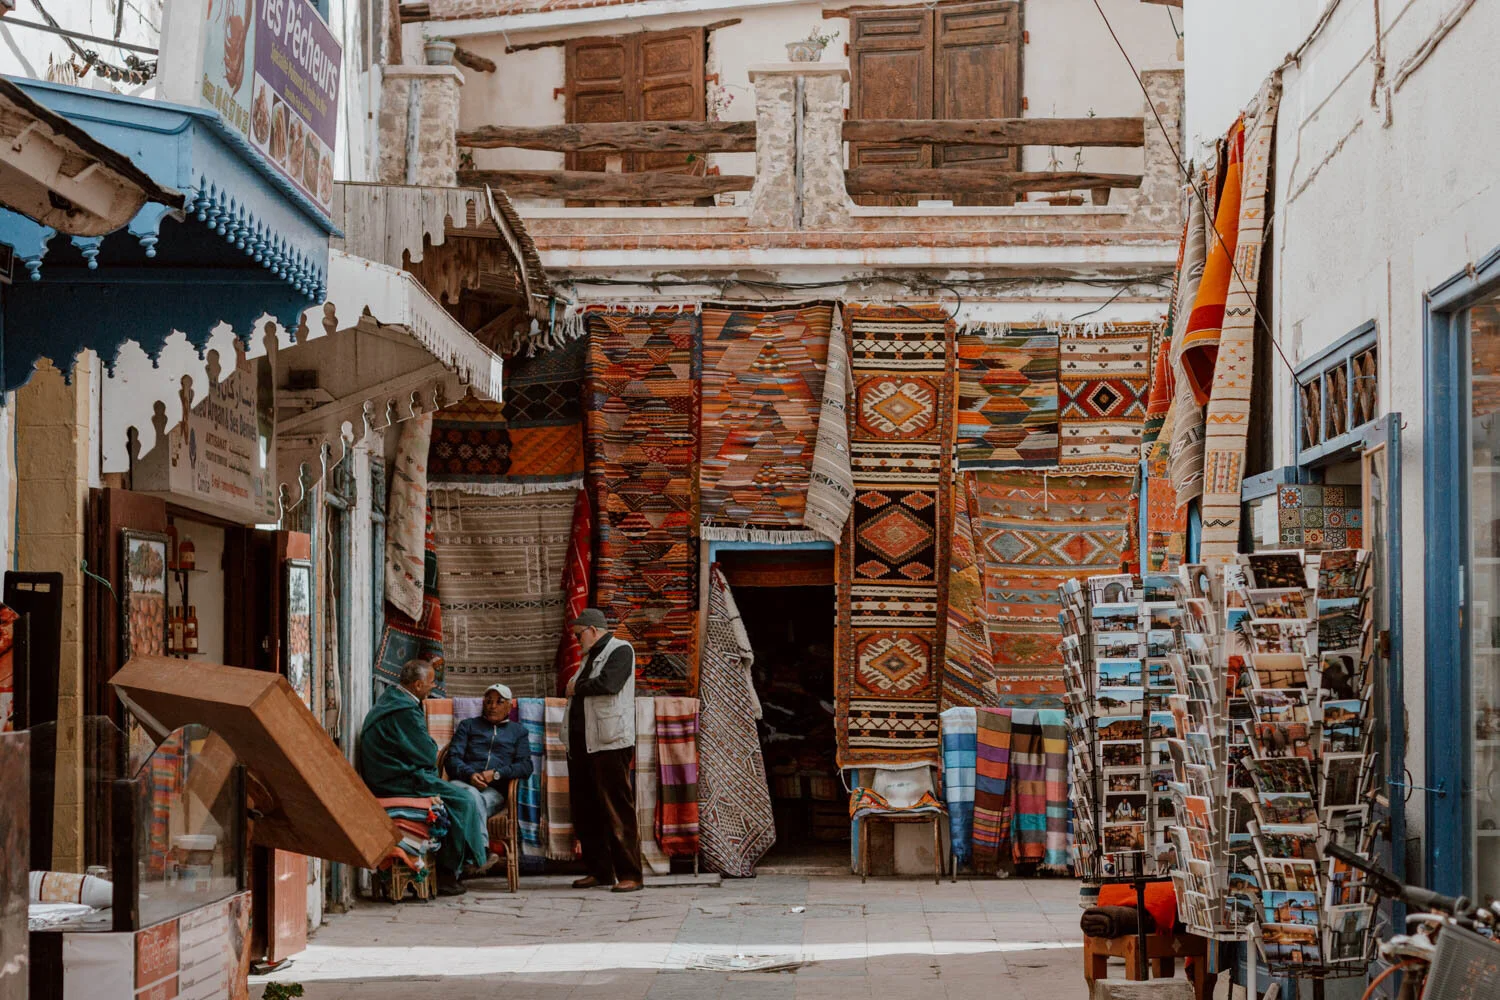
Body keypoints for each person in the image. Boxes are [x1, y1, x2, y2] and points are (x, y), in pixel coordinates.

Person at [358, 659, 492, 896]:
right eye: (431, 682)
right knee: (464, 801)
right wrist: (430, 749)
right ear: (418, 685)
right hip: (397, 780)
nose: (433, 687)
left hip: (394, 773)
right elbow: (426, 753)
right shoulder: (405, 711)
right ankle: (450, 872)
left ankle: (464, 861)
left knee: (459, 798)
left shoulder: (393, 701)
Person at [563, 608, 642, 893]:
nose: (577, 641)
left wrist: (576, 687)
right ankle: (600, 871)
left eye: (578, 635)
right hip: (582, 745)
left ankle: (630, 874)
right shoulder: (587, 657)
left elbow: (608, 684)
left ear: (593, 630)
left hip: (609, 743)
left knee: (617, 809)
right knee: (587, 811)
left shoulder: (621, 650)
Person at [448, 683, 533, 817]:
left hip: (494, 791)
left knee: (472, 803)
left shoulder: (518, 732)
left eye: (499, 702)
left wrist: (496, 774)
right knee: (472, 798)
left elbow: (525, 766)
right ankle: (478, 839)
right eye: (489, 701)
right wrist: (470, 775)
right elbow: (452, 758)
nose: (493, 706)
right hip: (462, 783)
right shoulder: (468, 725)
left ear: (509, 707)